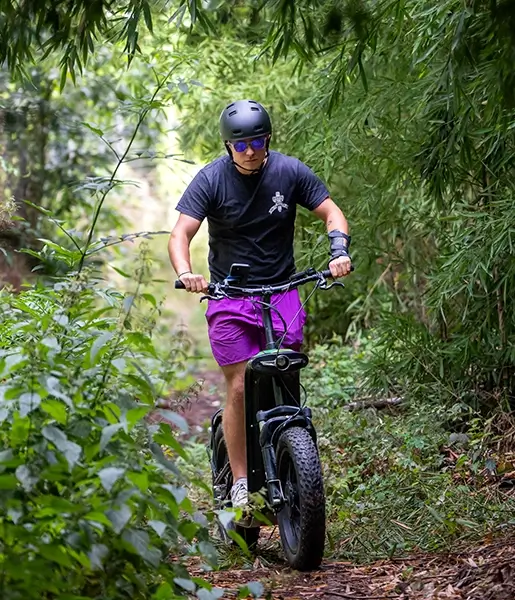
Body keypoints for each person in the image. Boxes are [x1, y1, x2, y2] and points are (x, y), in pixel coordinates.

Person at [168, 99, 351, 508]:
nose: (249, 151)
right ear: (228, 146)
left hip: (282, 291)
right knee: (237, 386)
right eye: (240, 144)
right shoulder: (211, 180)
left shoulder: (289, 171)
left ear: (267, 138)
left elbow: (331, 212)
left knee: (287, 377)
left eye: (256, 141)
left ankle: (290, 460)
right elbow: (181, 233)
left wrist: (338, 250)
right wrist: (186, 272)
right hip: (230, 297)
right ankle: (237, 484)